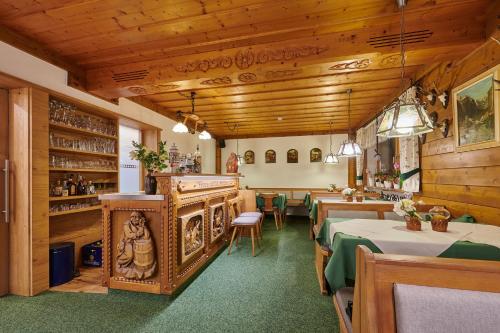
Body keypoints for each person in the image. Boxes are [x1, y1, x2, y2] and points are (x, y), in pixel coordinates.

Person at [116, 211, 156, 279]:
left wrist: (143, 226)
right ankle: (120, 262)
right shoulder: (127, 224)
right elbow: (129, 235)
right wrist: (138, 234)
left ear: (140, 218)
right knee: (130, 256)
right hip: (127, 243)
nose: (134, 219)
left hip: (136, 244)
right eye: (132, 217)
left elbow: (147, 236)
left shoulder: (140, 225)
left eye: (136, 217)